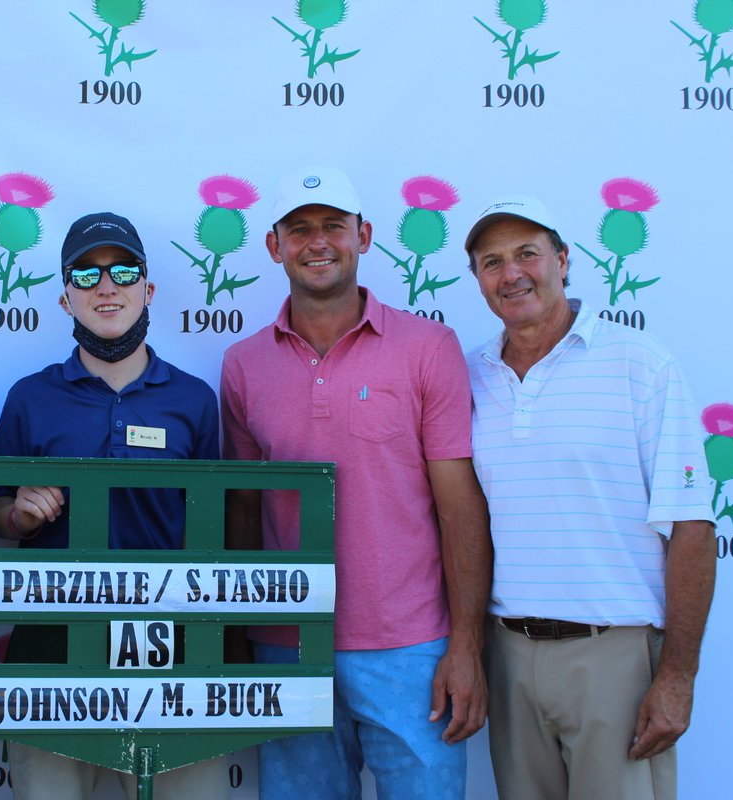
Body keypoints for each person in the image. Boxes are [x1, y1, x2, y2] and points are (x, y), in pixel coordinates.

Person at [220, 168, 492, 800]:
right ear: (273, 246)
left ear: (364, 236)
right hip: (287, 644)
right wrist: (239, 634)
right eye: (300, 230)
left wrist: (466, 647)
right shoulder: (242, 364)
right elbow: (241, 512)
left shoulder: (429, 347)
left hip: (412, 645)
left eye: (334, 227)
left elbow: (459, 510)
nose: (318, 243)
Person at [464, 195, 716, 800]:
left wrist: (677, 676)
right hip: (508, 655)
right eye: (491, 262)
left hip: (615, 657)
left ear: (564, 261)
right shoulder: (469, 376)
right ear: (476, 280)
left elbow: (693, 530)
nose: (512, 273)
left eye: (528, 253)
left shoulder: (641, 365)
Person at [0, 212, 223, 800]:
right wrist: (17, 513)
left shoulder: (194, 400)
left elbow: (213, 529)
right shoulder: (29, 397)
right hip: (50, 651)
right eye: (86, 274)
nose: (106, 285)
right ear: (65, 296)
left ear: (148, 288)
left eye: (122, 270)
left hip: (170, 649)